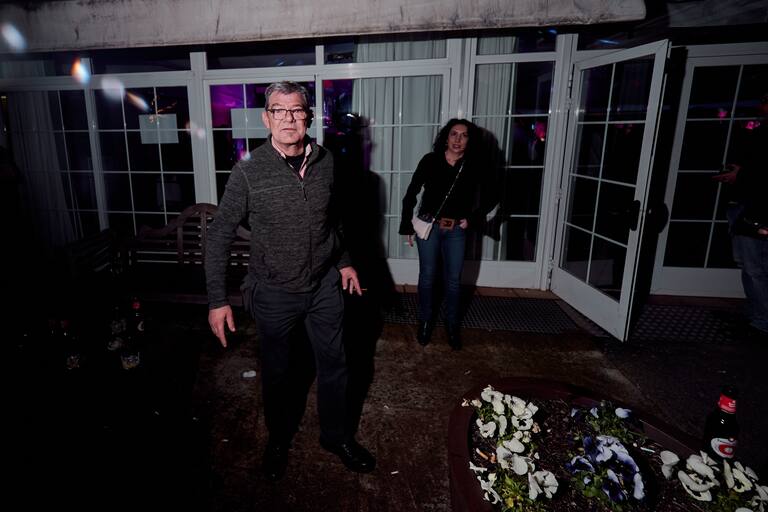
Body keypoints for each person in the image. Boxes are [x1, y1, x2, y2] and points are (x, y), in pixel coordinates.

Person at [204, 81, 375, 481]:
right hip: (274, 291)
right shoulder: (248, 171)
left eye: (296, 110)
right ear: (266, 119)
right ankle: (278, 438)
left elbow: (332, 220)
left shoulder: (326, 161)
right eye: (278, 110)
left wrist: (344, 262)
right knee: (279, 373)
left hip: (323, 286)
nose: (288, 118)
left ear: (308, 117)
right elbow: (219, 234)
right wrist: (217, 300)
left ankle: (336, 437)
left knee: (336, 364)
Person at [399, 119, 481, 350]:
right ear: (446, 137)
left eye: (463, 135)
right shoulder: (430, 160)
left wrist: (473, 218)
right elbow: (411, 192)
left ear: (469, 141)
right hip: (429, 227)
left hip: (456, 231)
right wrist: (407, 225)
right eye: (453, 134)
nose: (458, 139)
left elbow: (492, 193)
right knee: (427, 277)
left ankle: (452, 325)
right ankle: (425, 322)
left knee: (453, 281)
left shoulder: (473, 165)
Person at [714, 91, 768, 340]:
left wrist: (741, 175)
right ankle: (757, 312)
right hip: (750, 205)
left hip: (757, 209)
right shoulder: (759, 132)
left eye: (765, 101)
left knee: (754, 266)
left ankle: (762, 318)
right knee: (752, 265)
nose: (761, 105)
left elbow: (759, 175)